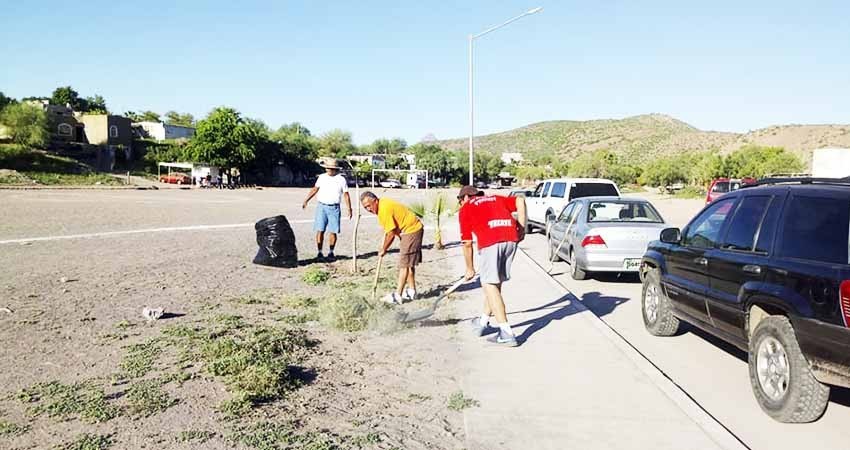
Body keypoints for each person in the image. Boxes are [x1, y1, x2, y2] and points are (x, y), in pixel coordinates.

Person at [457, 185, 527, 347]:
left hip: (491, 242)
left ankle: (506, 332)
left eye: (460, 201)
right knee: (495, 283)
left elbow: (467, 243)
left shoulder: (466, 208)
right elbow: (520, 200)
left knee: (488, 284)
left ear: (465, 198)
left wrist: (469, 268)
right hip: (511, 238)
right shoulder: (496, 198)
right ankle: (482, 322)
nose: (460, 204)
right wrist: (522, 228)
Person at [360, 191, 423, 304]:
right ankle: (412, 291)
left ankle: (398, 295)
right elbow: (390, 228)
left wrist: (384, 249)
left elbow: (391, 234)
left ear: (375, 201)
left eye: (369, 205)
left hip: (411, 230)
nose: (368, 209)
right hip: (408, 230)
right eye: (365, 208)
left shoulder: (384, 209)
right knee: (408, 263)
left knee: (404, 264)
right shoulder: (381, 206)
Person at [302, 157, 353, 261]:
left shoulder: (341, 179)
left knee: (333, 231)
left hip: (334, 208)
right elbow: (315, 189)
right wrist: (306, 200)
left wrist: (349, 208)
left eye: (331, 168)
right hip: (322, 207)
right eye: (327, 168)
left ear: (335, 169)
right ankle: (319, 252)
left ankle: (331, 251)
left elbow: (346, 194)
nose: (328, 170)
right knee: (320, 229)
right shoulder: (321, 178)